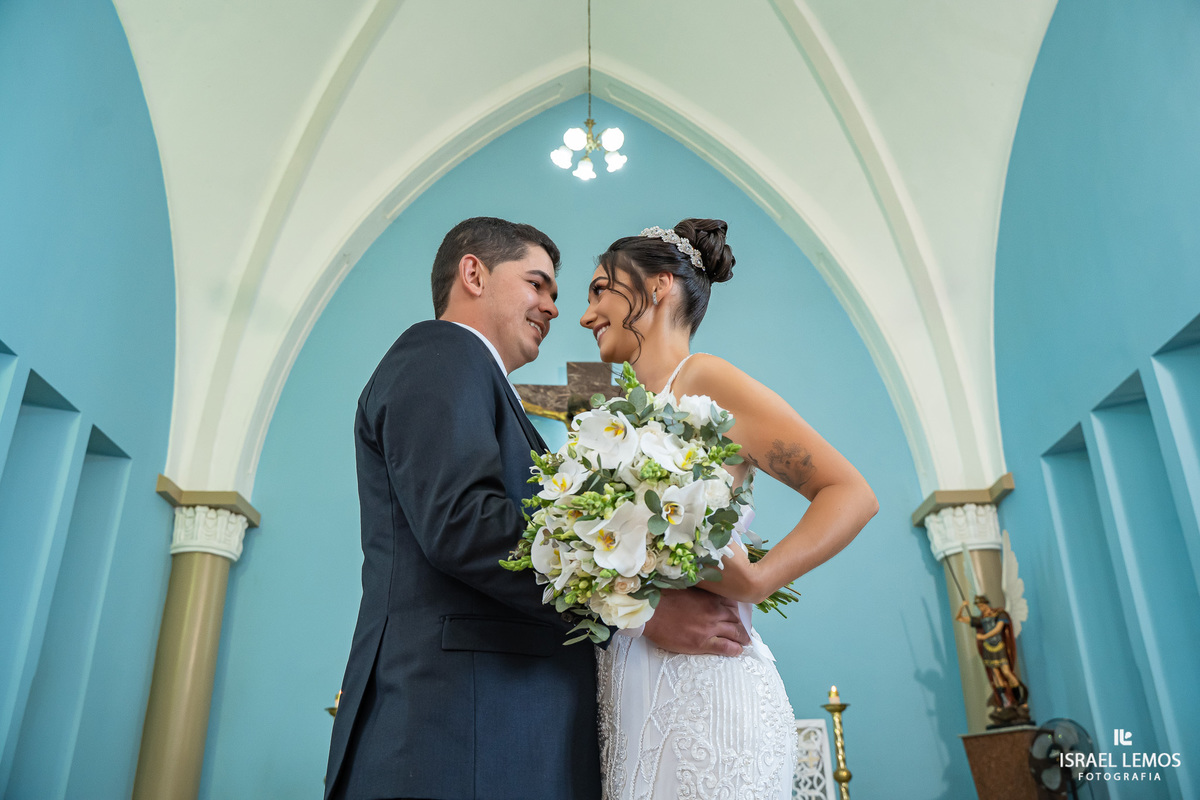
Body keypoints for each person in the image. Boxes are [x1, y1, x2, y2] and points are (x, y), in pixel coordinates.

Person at [324, 217, 751, 800]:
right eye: (537, 284)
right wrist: (639, 613)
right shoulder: (442, 350)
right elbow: (464, 523)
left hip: (499, 731)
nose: (554, 306)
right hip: (458, 733)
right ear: (473, 272)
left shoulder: (484, 384)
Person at [579, 218, 879, 799]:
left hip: (706, 688)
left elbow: (850, 493)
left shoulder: (705, 380)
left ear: (660, 285)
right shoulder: (618, 413)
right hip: (629, 680)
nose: (586, 315)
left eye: (600, 291)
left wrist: (760, 580)